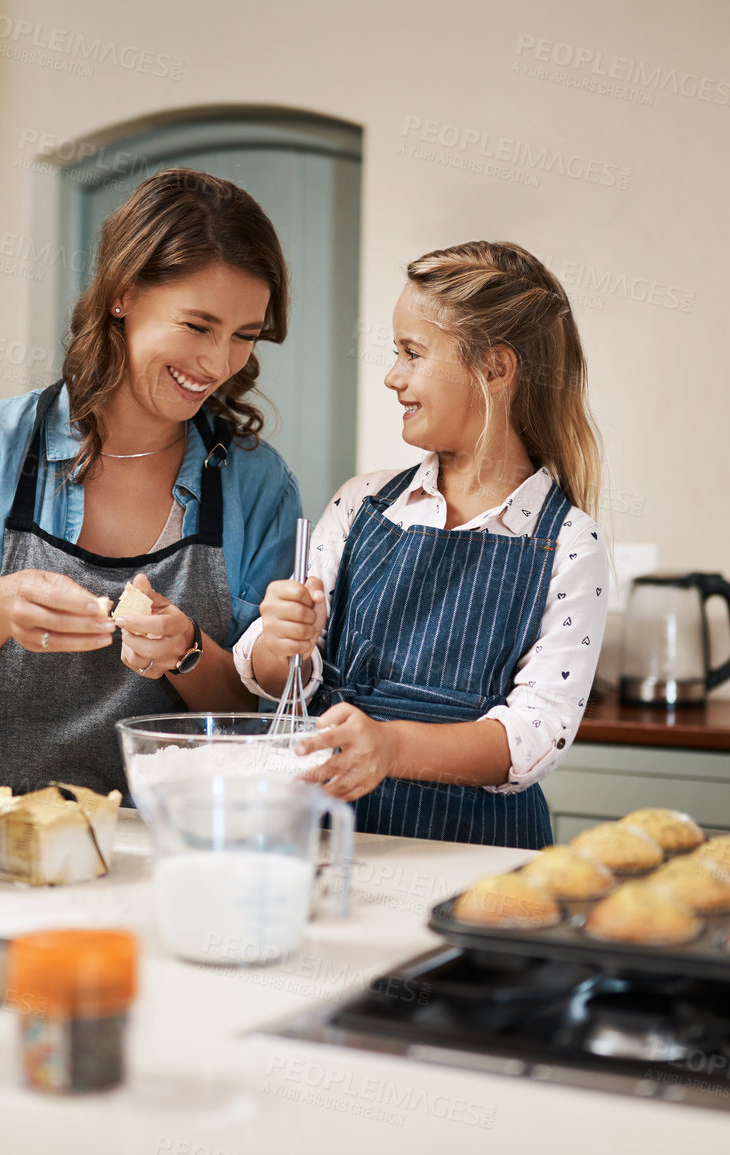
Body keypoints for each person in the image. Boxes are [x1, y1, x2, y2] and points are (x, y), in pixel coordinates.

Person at [0, 169, 303, 795]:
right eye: (198, 326)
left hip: (162, 844)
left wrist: (189, 652)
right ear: (123, 294)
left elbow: (257, 713)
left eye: (244, 337)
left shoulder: (256, 481)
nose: (217, 364)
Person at [235, 241, 609, 849]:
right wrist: (281, 641)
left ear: (495, 368)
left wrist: (390, 747)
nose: (392, 376)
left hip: (477, 859)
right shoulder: (362, 504)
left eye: (412, 353)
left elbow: (534, 737)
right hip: (332, 843)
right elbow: (280, 676)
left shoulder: (569, 544)